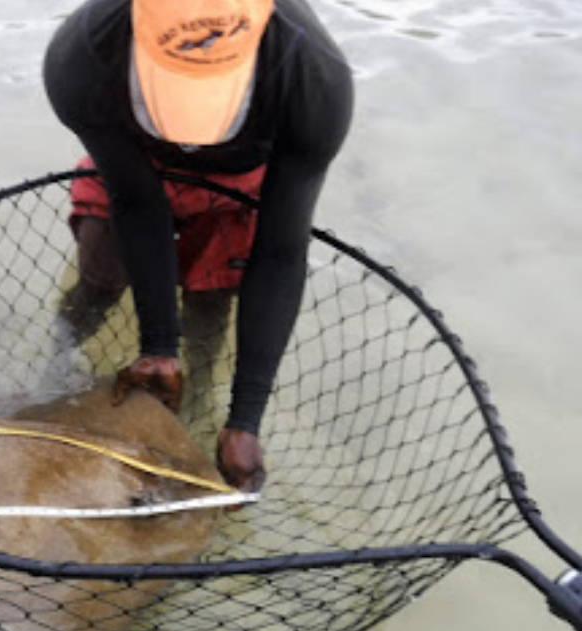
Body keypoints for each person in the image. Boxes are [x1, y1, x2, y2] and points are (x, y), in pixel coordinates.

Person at [43, 0, 354, 493]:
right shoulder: (80, 58)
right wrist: (158, 347)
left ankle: (202, 402)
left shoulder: (314, 77)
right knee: (100, 279)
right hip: (136, 163)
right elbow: (136, 201)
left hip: (242, 179)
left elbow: (279, 250)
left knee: (211, 298)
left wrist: (247, 417)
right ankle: (57, 357)